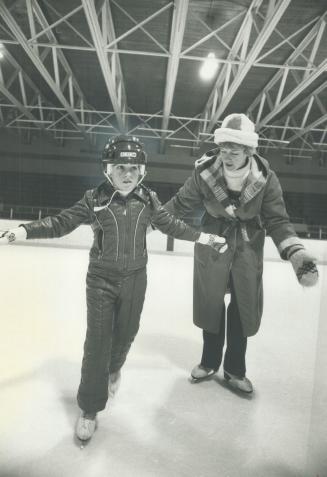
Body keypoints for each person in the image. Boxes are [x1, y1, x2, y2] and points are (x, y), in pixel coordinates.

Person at [0, 135, 227, 442]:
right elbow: (60, 222)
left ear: (142, 171)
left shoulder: (149, 200)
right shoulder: (94, 199)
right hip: (101, 282)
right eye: (119, 166)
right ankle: (90, 408)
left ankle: (114, 368)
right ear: (107, 169)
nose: (127, 174)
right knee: (97, 344)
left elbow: (172, 224)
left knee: (126, 333)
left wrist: (205, 238)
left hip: (136, 279)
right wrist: (23, 230)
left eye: (133, 167)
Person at [164, 113, 318, 394]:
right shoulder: (204, 173)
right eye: (224, 149)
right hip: (213, 241)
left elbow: (278, 220)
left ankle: (235, 369)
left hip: (248, 245)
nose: (227, 155)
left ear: (249, 150)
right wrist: (147, 223)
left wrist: (296, 252)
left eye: (234, 150)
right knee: (210, 302)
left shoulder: (266, 179)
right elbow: (180, 204)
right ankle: (209, 361)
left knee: (242, 306)